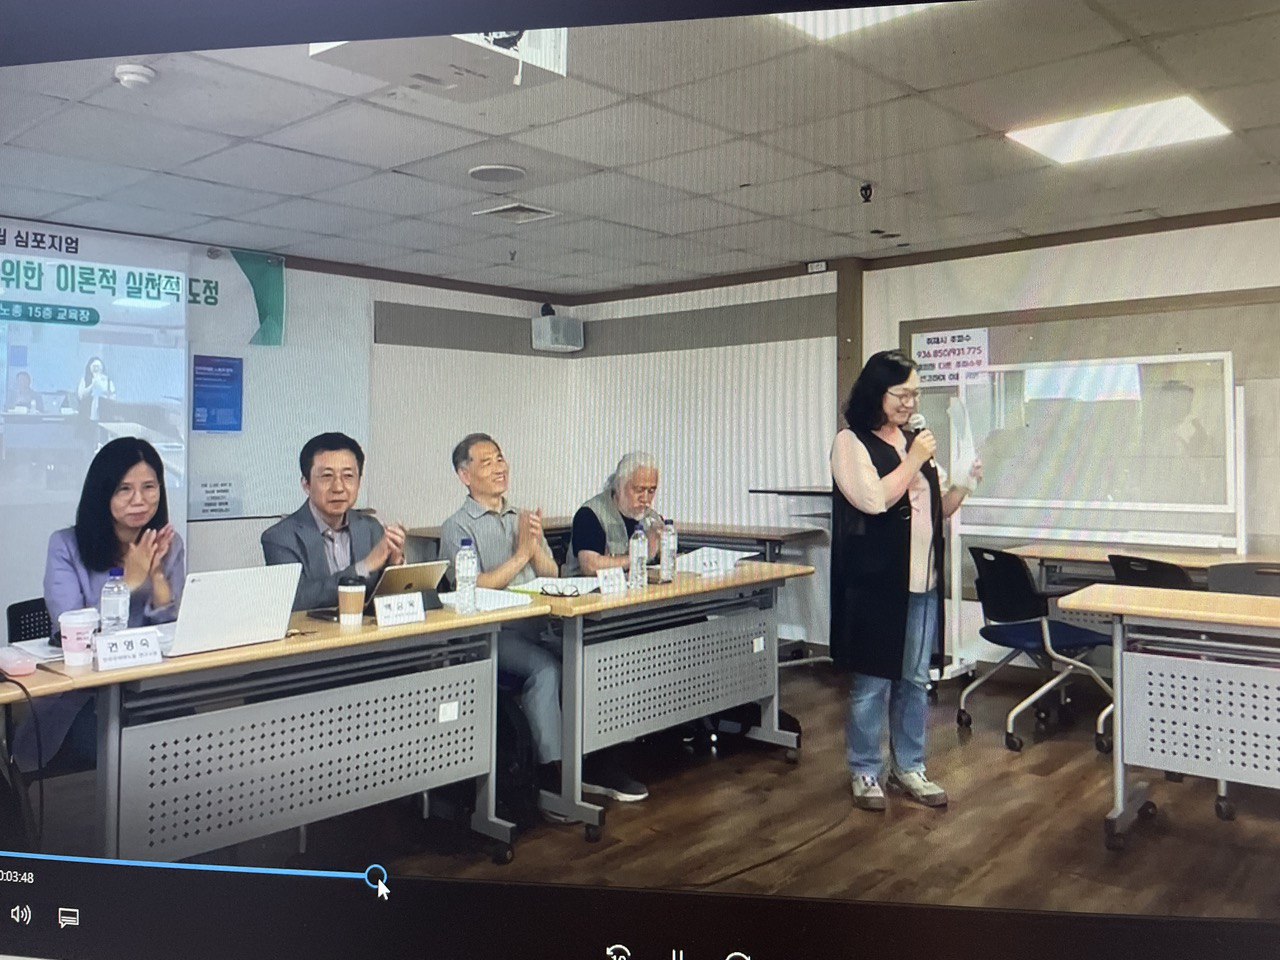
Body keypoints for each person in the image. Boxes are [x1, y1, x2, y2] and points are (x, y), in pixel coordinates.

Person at [441, 433, 647, 804]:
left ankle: (599, 761)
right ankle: (555, 775)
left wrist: (535, 548)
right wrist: (523, 553)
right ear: (465, 475)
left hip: (541, 622)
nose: (499, 467)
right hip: (495, 633)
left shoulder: (521, 517)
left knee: (594, 659)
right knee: (546, 669)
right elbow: (471, 587)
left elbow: (552, 574)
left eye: (500, 458)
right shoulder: (457, 526)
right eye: (487, 462)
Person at [829, 350, 981, 812]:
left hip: (922, 584)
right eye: (902, 393)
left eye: (915, 394)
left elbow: (939, 509)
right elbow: (873, 500)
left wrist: (963, 484)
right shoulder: (851, 442)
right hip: (876, 585)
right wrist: (915, 459)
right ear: (877, 392)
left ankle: (909, 767)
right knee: (873, 682)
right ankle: (864, 769)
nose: (911, 403)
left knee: (915, 681)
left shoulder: (914, 441)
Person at [13, 436, 185, 772]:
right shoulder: (65, 546)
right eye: (124, 489)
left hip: (148, 687)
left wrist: (157, 576)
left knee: (188, 736)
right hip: (82, 696)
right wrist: (128, 583)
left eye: (149, 487)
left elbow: (172, 633)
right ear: (103, 493)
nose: (140, 500)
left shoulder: (168, 543)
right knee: (131, 751)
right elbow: (75, 633)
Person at [261, 432, 406, 611]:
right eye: (327, 476)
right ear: (306, 484)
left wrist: (394, 566)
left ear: (359, 482)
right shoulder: (279, 537)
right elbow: (296, 599)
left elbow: (383, 600)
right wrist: (364, 567)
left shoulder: (371, 528)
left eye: (348, 476)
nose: (338, 487)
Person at [563, 451, 663, 576]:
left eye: (651, 491)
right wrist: (642, 556)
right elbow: (590, 566)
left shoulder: (651, 518)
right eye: (639, 490)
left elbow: (675, 557)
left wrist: (663, 547)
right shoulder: (590, 514)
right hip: (588, 587)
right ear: (619, 486)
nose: (646, 498)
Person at [77, 356, 115, 421]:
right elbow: (81, 396)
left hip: (104, 414)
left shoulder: (108, 381)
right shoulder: (84, 380)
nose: (96, 368)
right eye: (94, 366)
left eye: (99, 366)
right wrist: (92, 385)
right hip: (86, 416)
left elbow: (113, 397)